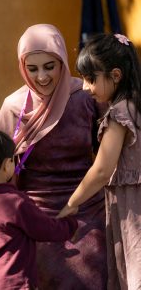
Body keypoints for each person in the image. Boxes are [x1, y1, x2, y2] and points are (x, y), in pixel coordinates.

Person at [0, 24, 107, 289]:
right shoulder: (14, 106)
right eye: (32, 68)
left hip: (88, 207)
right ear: (22, 67)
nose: (42, 77)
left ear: (62, 60)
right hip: (35, 215)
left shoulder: (86, 95)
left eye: (50, 66)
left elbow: (112, 147)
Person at [58, 33, 141, 290]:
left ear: (116, 76)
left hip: (133, 209)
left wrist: (72, 202)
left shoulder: (119, 114)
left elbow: (102, 170)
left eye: (90, 79)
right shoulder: (136, 106)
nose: (84, 87)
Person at [0, 128, 78, 290]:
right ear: (6, 165)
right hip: (16, 283)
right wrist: (70, 224)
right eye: (12, 160)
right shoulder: (15, 202)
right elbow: (45, 229)